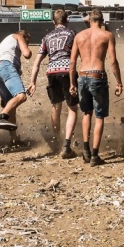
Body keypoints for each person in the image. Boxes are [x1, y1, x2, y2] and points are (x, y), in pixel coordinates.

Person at [68, 9, 123, 167]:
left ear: (89, 20)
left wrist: (72, 83)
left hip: (83, 75)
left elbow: (72, 63)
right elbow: (113, 62)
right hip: (97, 76)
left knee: (87, 113)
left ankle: (85, 150)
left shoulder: (79, 36)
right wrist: (119, 82)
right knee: (99, 116)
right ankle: (94, 155)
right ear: (102, 20)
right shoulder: (107, 35)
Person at [28, 9, 80, 158]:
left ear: (53, 22)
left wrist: (32, 82)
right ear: (67, 20)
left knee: (56, 106)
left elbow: (37, 62)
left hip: (51, 71)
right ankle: (66, 145)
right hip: (67, 70)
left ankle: (56, 138)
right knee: (72, 109)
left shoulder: (46, 37)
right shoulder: (72, 34)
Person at [0, 30, 33, 131]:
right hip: (6, 65)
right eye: (27, 42)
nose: (27, 44)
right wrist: (27, 48)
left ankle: (14, 139)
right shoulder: (18, 36)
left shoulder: (5, 42)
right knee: (21, 96)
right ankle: (0, 117)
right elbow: (27, 54)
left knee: (11, 106)